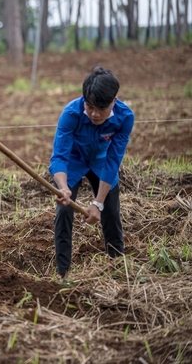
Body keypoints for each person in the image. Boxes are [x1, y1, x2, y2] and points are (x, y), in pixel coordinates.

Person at [49, 65, 134, 280]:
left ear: (114, 100)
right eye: (89, 106)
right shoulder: (71, 113)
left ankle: (117, 266)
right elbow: (59, 156)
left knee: (111, 212)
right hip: (74, 162)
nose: (94, 114)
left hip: (102, 163)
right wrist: (63, 187)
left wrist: (98, 203)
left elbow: (114, 160)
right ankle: (63, 273)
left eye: (101, 109)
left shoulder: (125, 117)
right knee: (64, 211)